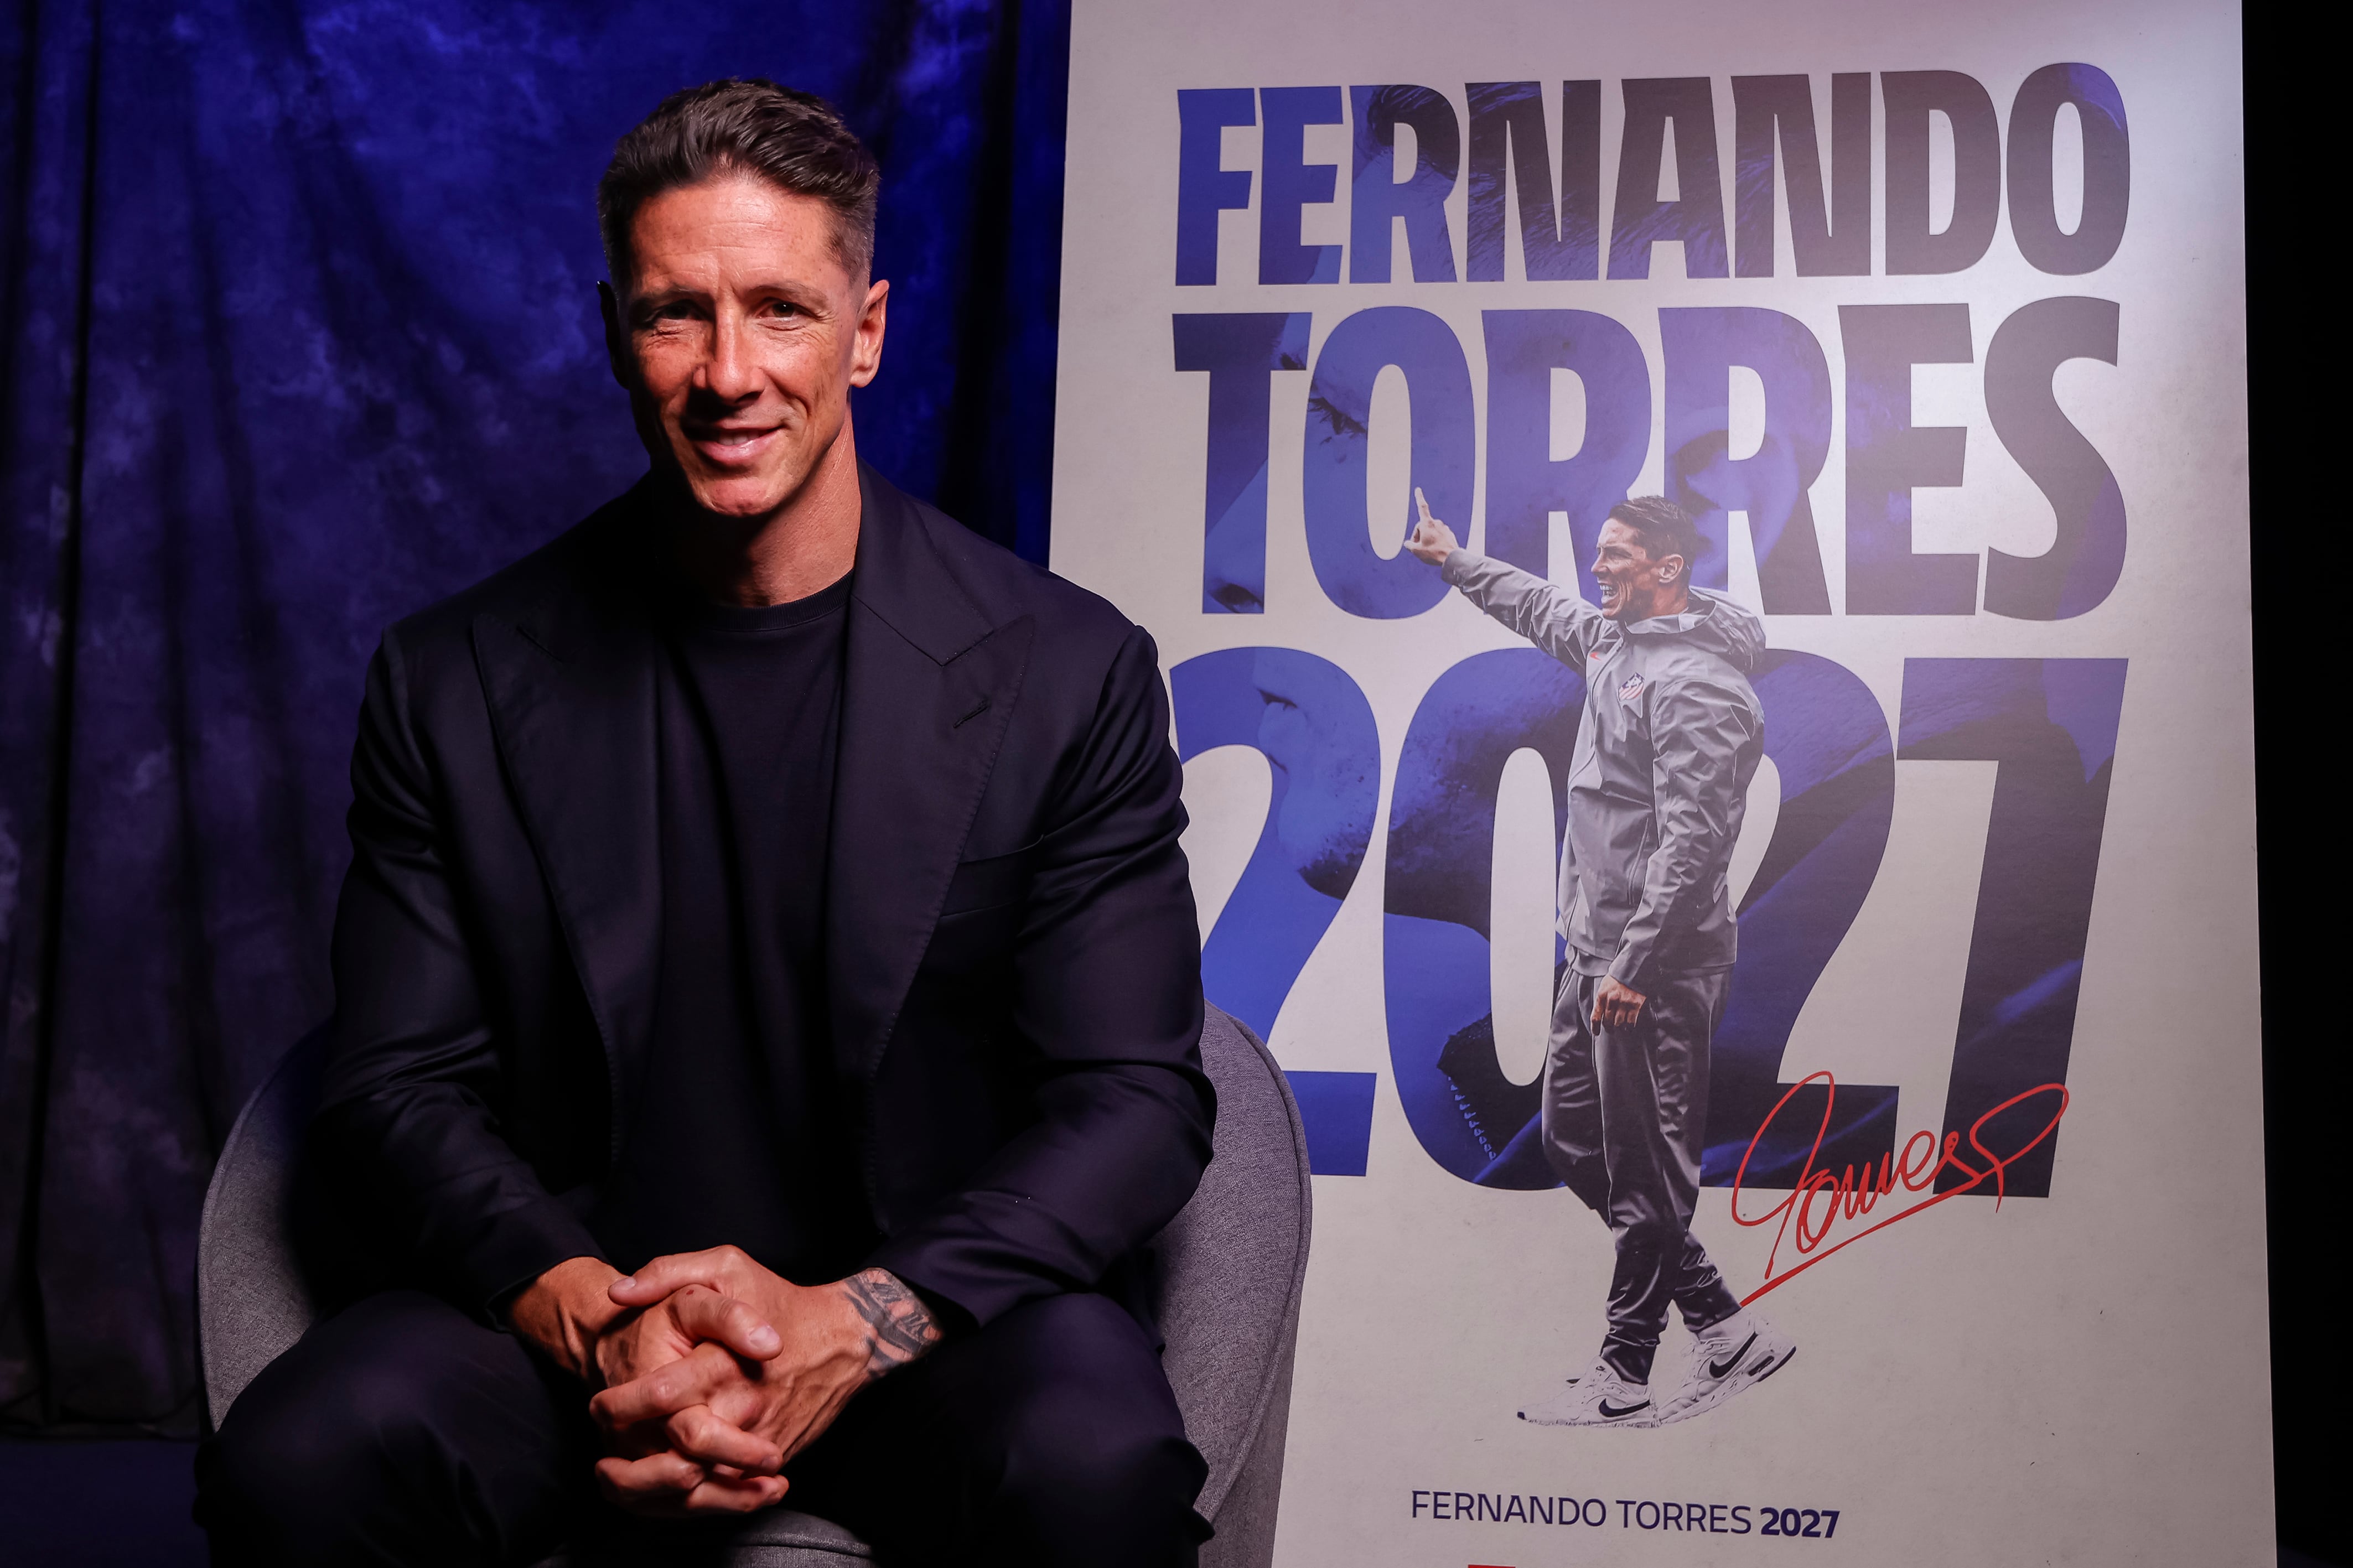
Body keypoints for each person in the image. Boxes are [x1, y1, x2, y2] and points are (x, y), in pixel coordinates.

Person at [194, 80, 1215, 1566]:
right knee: (306, 1458)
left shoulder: (1068, 672)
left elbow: (1132, 1098)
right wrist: (593, 1316)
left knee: (1092, 1465)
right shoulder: (450, 678)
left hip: (927, 1329)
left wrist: (852, 1323)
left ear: (864, 331)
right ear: (614, 330)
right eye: (678, 314)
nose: (730, 374)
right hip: (576, 1331)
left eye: (781, 311)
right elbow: (394, 1081)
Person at [1404, 489, 1795, 1429]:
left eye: (1617, 553)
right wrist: (1455, 560)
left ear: (1668, 569)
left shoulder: (1699, 688)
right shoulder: (1619, 643)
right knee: (1573, 1143)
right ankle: (1725, 1326)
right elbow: (1542, 607)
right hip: (1595, 956)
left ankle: (1624, 1374)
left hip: (1650, 971)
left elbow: (1695, 845)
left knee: (1649, 1173)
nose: (1598, 565)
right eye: (1601, 549)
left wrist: (1635, 966)